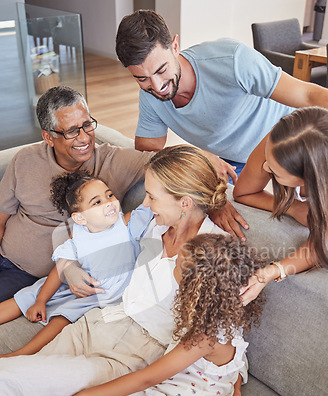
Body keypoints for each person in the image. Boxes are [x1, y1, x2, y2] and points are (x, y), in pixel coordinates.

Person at [0, 145, 243, 396]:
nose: (144, 202)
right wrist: (71, 270)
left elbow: (228, 336)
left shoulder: (215, 253)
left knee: (10, 379)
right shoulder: (152, 223)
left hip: (131, 357)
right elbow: (86, 244)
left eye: (152, 196)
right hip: (96, 324)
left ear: (184, 202)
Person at [44, 233, 264, 396]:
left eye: (179, 263)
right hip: (160, 391)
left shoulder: (207, 334)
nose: (173, 263)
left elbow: (144, 378)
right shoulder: (214, 308)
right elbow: (234, 364)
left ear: (197, 283)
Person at [115, 9, 328, 239]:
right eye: (142, 78)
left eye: (161, 70)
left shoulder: (232, 59)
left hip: (282, 145)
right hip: (234, 165)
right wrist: (200, 159)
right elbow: (148, 154)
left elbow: (307, 95)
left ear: (175, 46)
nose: (157, 86)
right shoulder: (149, 98)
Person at [0, 85, 152, 302]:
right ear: (49, 137)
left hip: (25, 275)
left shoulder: (115, 161)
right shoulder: (25, 160)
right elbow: (1, 217)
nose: (84, 138)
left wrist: (213, 162)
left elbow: (166, 161)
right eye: (71, 131)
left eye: (87, 125)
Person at [0, 171, 152, 357]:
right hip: (71, 285)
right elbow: (60, 269)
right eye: (97, 202)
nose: (109, 202)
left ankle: (20, 354)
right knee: (28, 294)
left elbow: (151, 203)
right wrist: (40, 301)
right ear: (80, 218)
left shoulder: (126, 223)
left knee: (64, 315)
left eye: (109, 195)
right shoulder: (79, 234)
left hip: (100, 295)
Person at [233, 106, 328, 304]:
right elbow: (243, 192)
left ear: (309, 177)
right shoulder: (280, 139)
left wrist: (272, 271)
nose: (265, 167)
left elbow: (319, 246)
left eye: (275, 172)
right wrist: (293, 207)